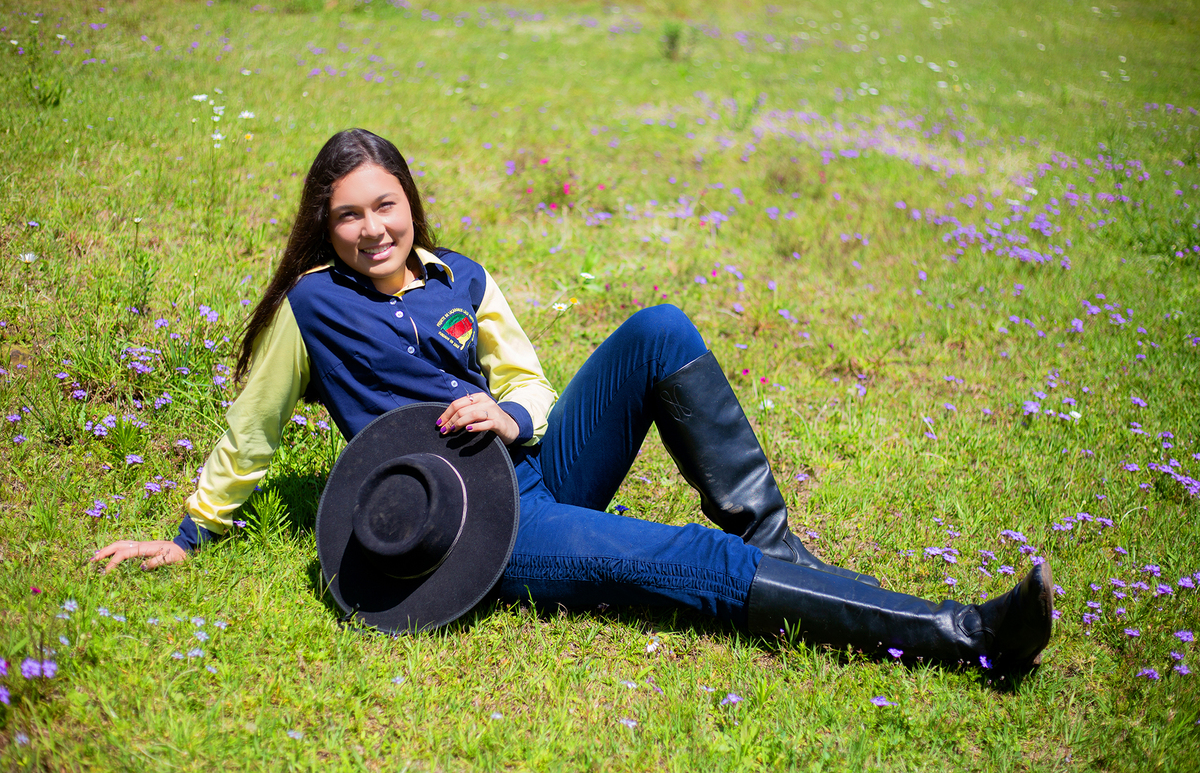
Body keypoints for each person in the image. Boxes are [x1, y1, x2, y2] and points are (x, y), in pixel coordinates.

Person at [91, 129, 1053, 671]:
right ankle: (962, 635)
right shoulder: (315, 308)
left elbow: (528, 383)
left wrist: (513, 417)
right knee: (685, 556)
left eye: (385, 204)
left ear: (411, 203)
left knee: (660, 330)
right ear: (325, 224)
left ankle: (774, 542)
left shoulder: (462, 275)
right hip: (476, 529)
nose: (371, 227)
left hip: (533, 464)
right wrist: (186, 537)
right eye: (347, 213)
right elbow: (251, 433)